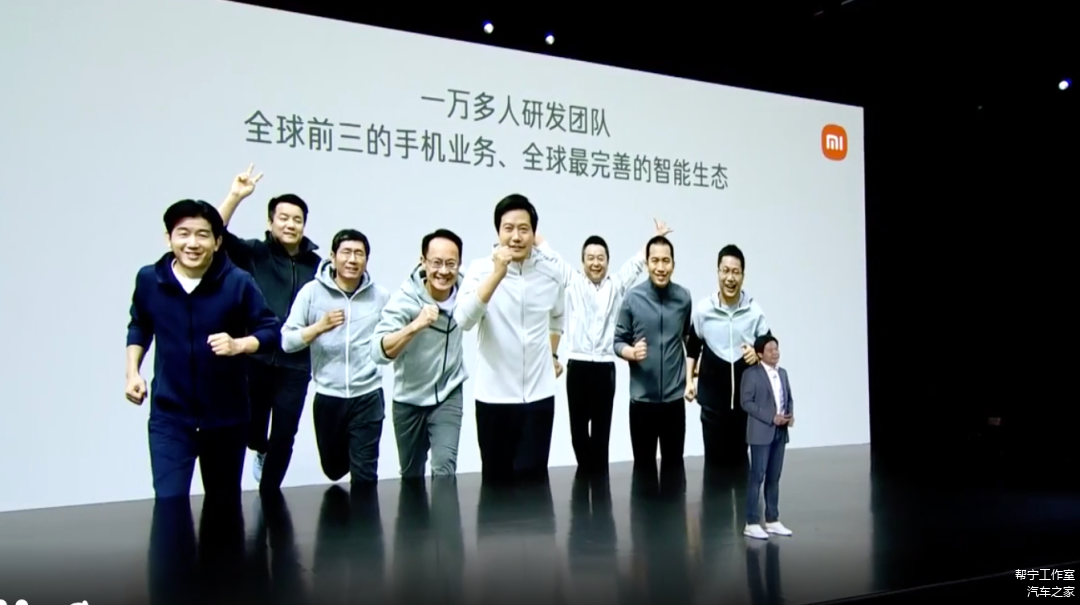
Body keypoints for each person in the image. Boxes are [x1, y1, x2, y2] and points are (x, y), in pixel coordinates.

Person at [125, 200, 280, 500]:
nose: (193, 243)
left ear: (217, 241)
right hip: (170, 416)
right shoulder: (149, 280)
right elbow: (139, 325)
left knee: (223, 507)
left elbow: (270, 331)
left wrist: (238, 344)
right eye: (183, 234)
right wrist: (132, 373)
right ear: (168, 238)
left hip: (227, 418)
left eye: (203, 235)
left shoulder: (237, 282)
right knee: (169, 502)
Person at [532, 219, 672, 474]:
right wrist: (530, 231)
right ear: (582, 261)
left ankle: (599, 483)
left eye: (600, 258)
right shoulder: (573, 282)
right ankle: (586, 474)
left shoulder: (615, 286)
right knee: (577, 432)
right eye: (590, 258)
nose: (595, 263)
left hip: (605, 368)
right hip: (578, 366)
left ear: (607, 261)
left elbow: (636, 263)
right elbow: (550, 255)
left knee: (601, 432)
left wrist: (655, 237)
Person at [216, 164, 322, 490]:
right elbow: (215, 235)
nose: (290, 224)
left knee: (285, 431)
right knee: (253, 428)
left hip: (296, 362)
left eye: (297, 219)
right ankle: (258, 448)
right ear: (270, 222)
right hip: (255, 356)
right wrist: (235, 196)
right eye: (283, 218)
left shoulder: (317, 266)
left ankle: (270, 493)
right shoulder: (254, 253)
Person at [455, 194, 566, 482]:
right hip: (494, 398)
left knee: (534, 483)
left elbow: (558, 316)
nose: (516, 237)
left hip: (539, 398)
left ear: (533, 233)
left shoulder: (550, 273)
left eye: (523, 229)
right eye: (508, 228)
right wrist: (497, 275)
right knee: (496, 483)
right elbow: (463, 320)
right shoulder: (480, 270)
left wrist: (553, 354)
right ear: (498, 232)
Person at [280, 229, 390, 485]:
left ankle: (364, 512)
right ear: (332, 256)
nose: (352, 260)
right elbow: (287, 341)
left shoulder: (380, 296)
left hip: (368, 394)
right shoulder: (311, 293)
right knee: (333, 469)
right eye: (346, 252)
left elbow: (391, 338)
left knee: (365, 473)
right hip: (329, 396)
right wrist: (319, 327)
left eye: (359, 254)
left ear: (366, 260)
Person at [371, 229, 469, 479]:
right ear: (423, 262)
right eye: (436, 263)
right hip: (409, 400)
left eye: (451, 263)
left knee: (444, 469)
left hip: (448, 392)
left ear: (459, 264)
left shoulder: (467, 291)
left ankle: (444, 508)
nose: (443, 271)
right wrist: (415, 325)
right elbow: (378, 351)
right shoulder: (405, 299)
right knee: (411, 475)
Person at [613, 235, 694, 484]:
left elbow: (687, 338)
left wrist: (694, 372)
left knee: (674, 470)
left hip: (673, 401)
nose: (661, 267)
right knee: (644, 470)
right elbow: (618, 341)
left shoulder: (684, 298)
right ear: (647, 263)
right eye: (655, 261)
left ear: (673, 264)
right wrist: (631, 352)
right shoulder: (633, 298)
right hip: (642, 402)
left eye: (666, 261)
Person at [686, 244, 771, 472]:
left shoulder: (754, 312)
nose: (730, 278)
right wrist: (689, 382)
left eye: (736, 272)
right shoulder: (704, 310)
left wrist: (757, 355)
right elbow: (692, 348)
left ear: (743, 275)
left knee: (742, 467)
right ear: (718, 273)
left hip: (745, 408)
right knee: (713, 470)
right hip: (712, 408)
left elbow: (770, 351)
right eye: (725, 271)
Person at [740, 334, 794, 540]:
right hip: (761, 433)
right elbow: (746, 402)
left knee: (774, 477)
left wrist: (789, 415)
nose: (775, 353)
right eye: (770, 350)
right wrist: (771, 417)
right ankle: (752, 522)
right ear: (760, 354)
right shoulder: (751, 374)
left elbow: (788, 397)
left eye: (776, 349)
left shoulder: (783, 373)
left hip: (780, 432)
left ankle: (772, 519)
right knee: (757, 477)